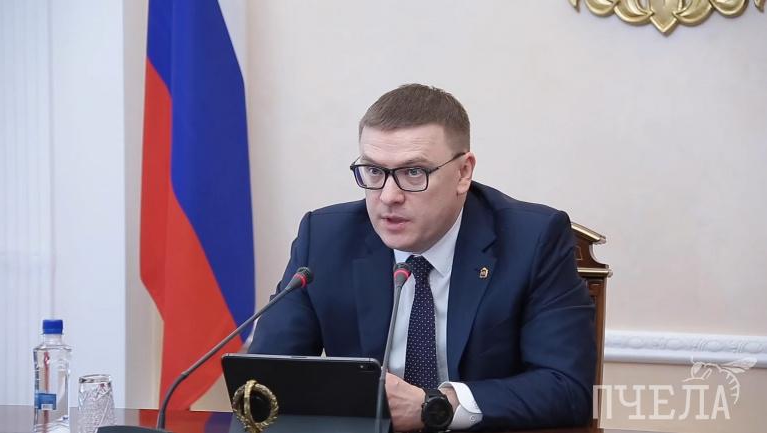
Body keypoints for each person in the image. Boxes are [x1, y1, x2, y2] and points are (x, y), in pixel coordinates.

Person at [250, 84, 596, 431]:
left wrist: (436, 406)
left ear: (463, 173)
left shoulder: (532, 240)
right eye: (374, 171)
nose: (388, 196)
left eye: (413, 172)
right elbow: (264, 381)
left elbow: (569, 389)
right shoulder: (324, 239)